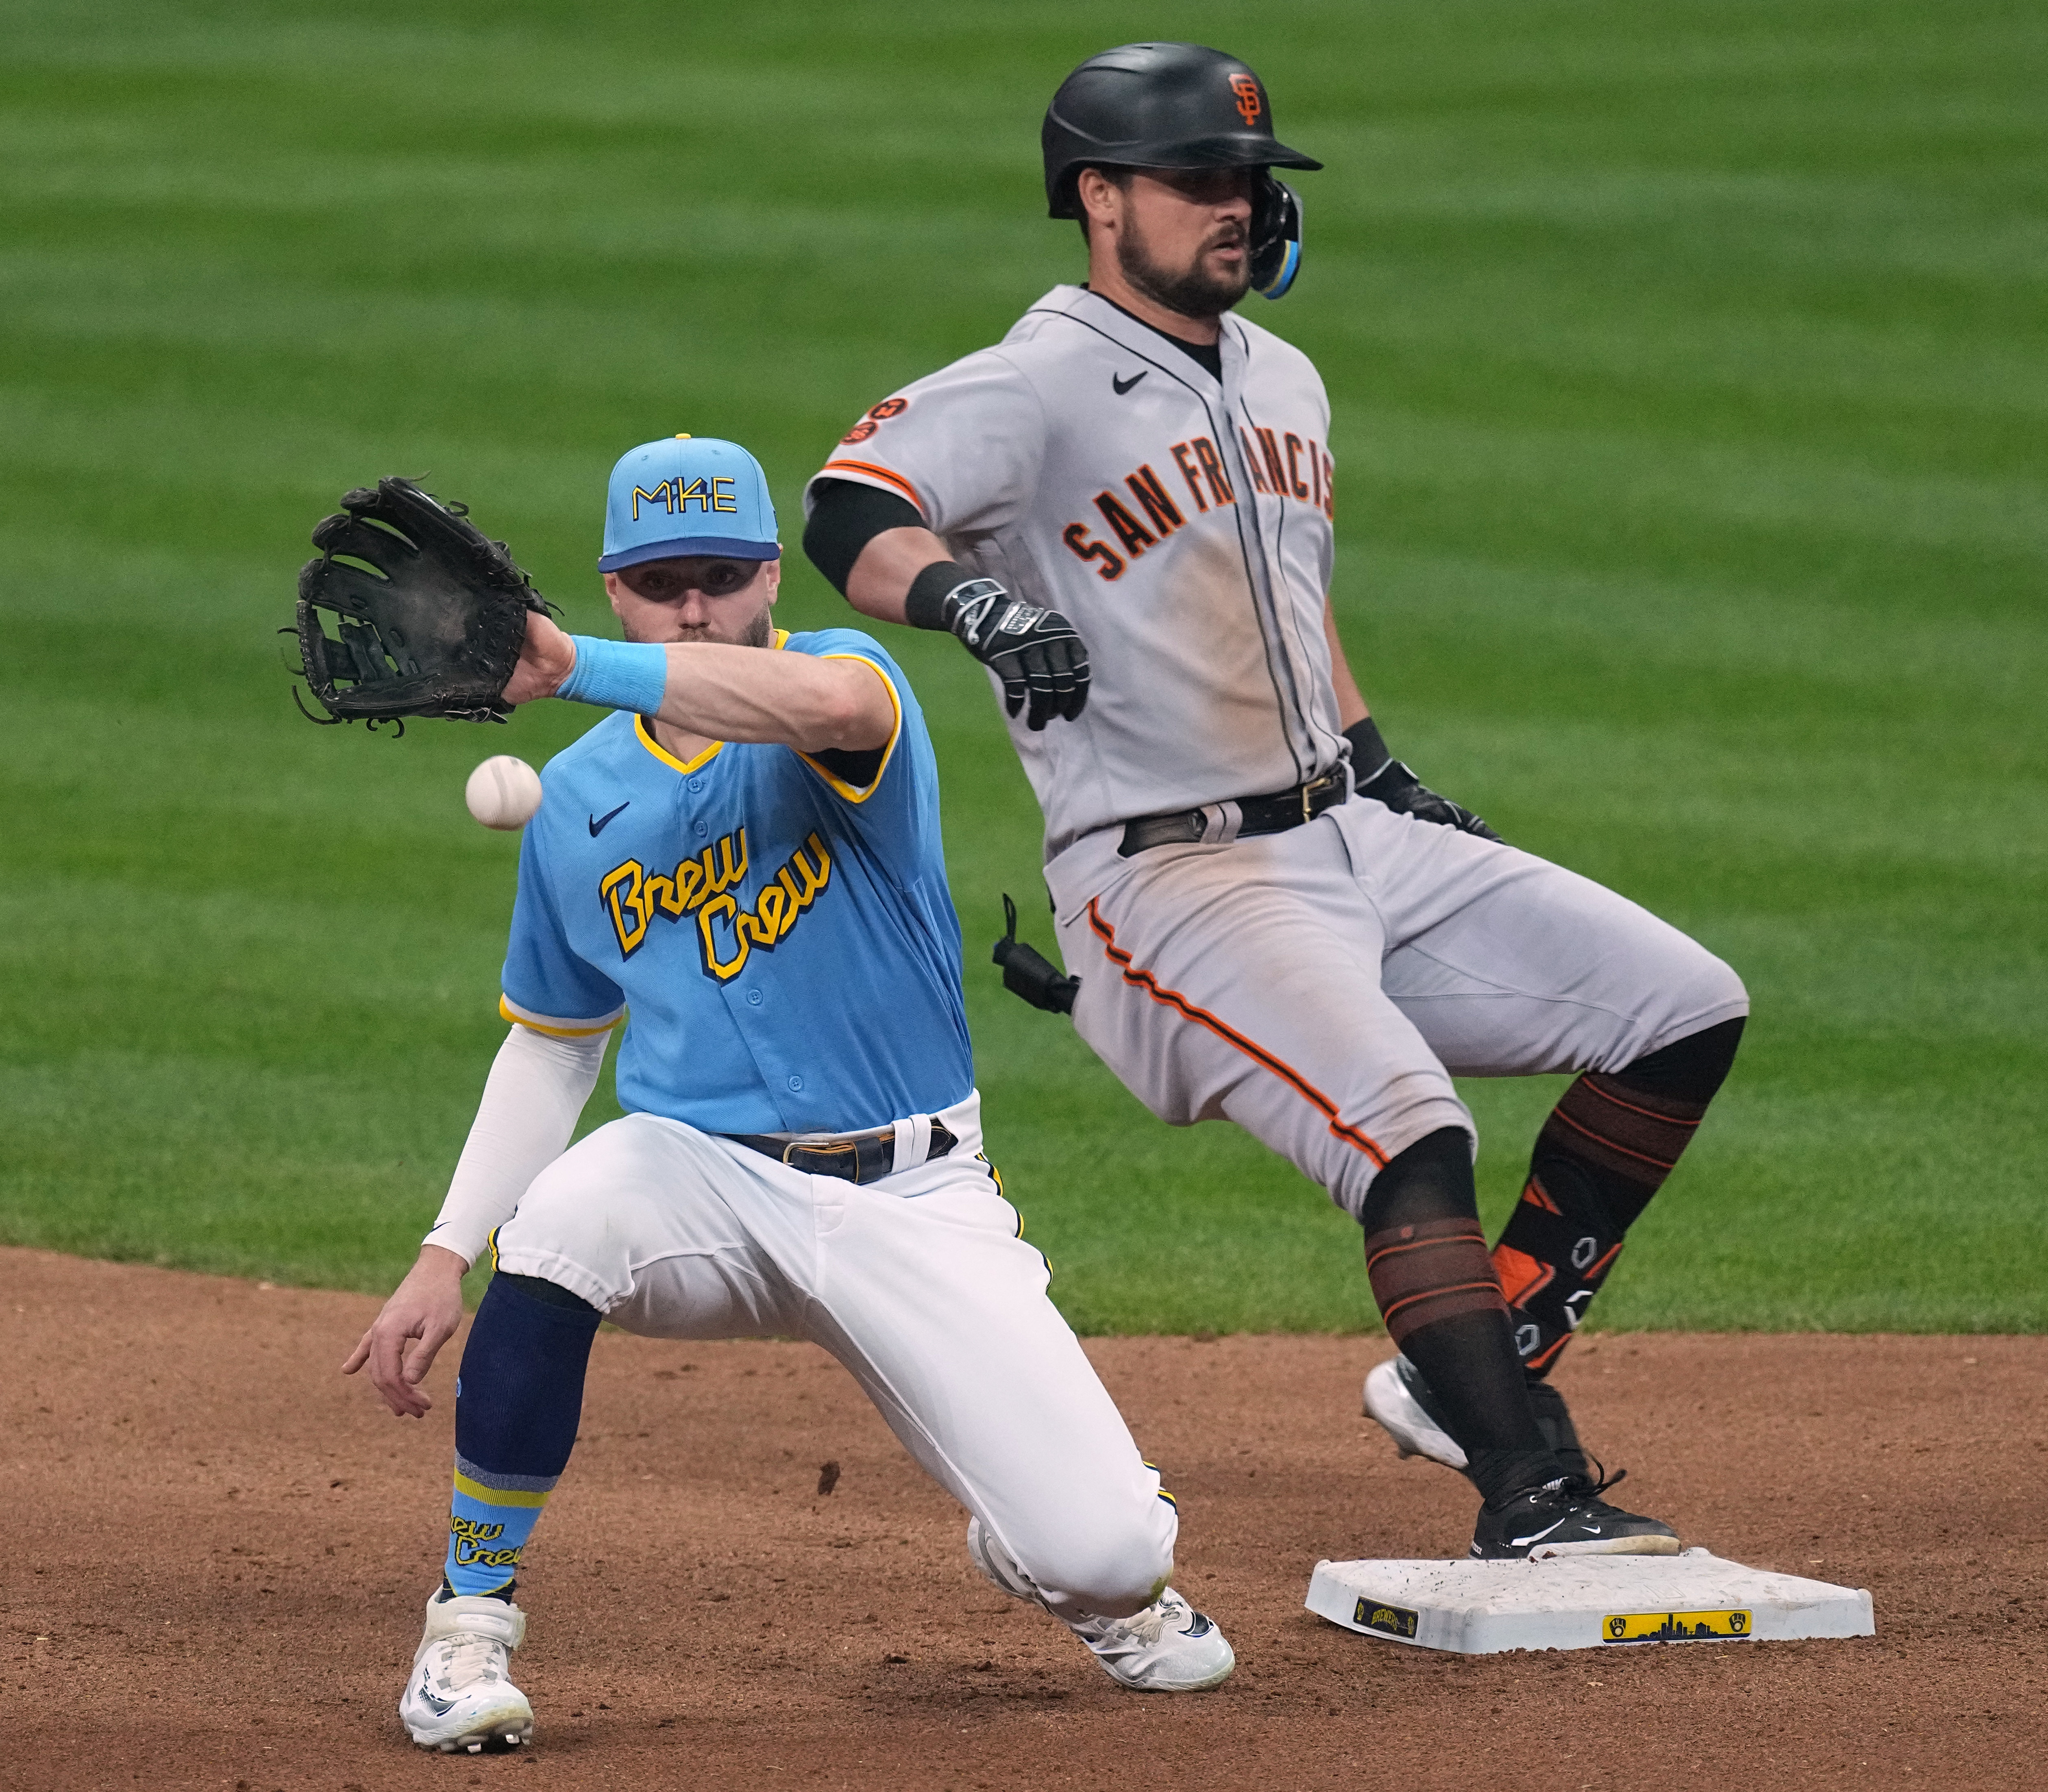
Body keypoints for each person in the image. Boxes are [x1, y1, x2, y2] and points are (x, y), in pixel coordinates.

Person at [800, 43, 1750, 1563]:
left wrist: (1387, 776)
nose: (1237, 205)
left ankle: (1479, 1370)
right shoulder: (1032, 381)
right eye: (1197, 180)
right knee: (1406, 1129)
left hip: (1348, 831)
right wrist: (975, 604)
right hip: (1173, 879)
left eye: (1249, 179)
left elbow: (1286, 605)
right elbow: (848, 509)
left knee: (1681, 1006)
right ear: (1099, 200)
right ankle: (1532, 1492)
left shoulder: (1286, 375)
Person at [343, 433, 1234, 1756]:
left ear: (769, 575)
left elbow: (827, 712)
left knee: (1109, 1557)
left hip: (915, 1193)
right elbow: (554, 1044)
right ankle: (468, 1618)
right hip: (704, 1179)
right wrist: (441, 1253)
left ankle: (1049, 1543)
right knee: (564, 1224)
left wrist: (575, 668)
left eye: (717, 575)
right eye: (657, 584)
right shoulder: (579, 798)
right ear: (613, 585)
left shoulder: (847, 683)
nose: (691, 607)